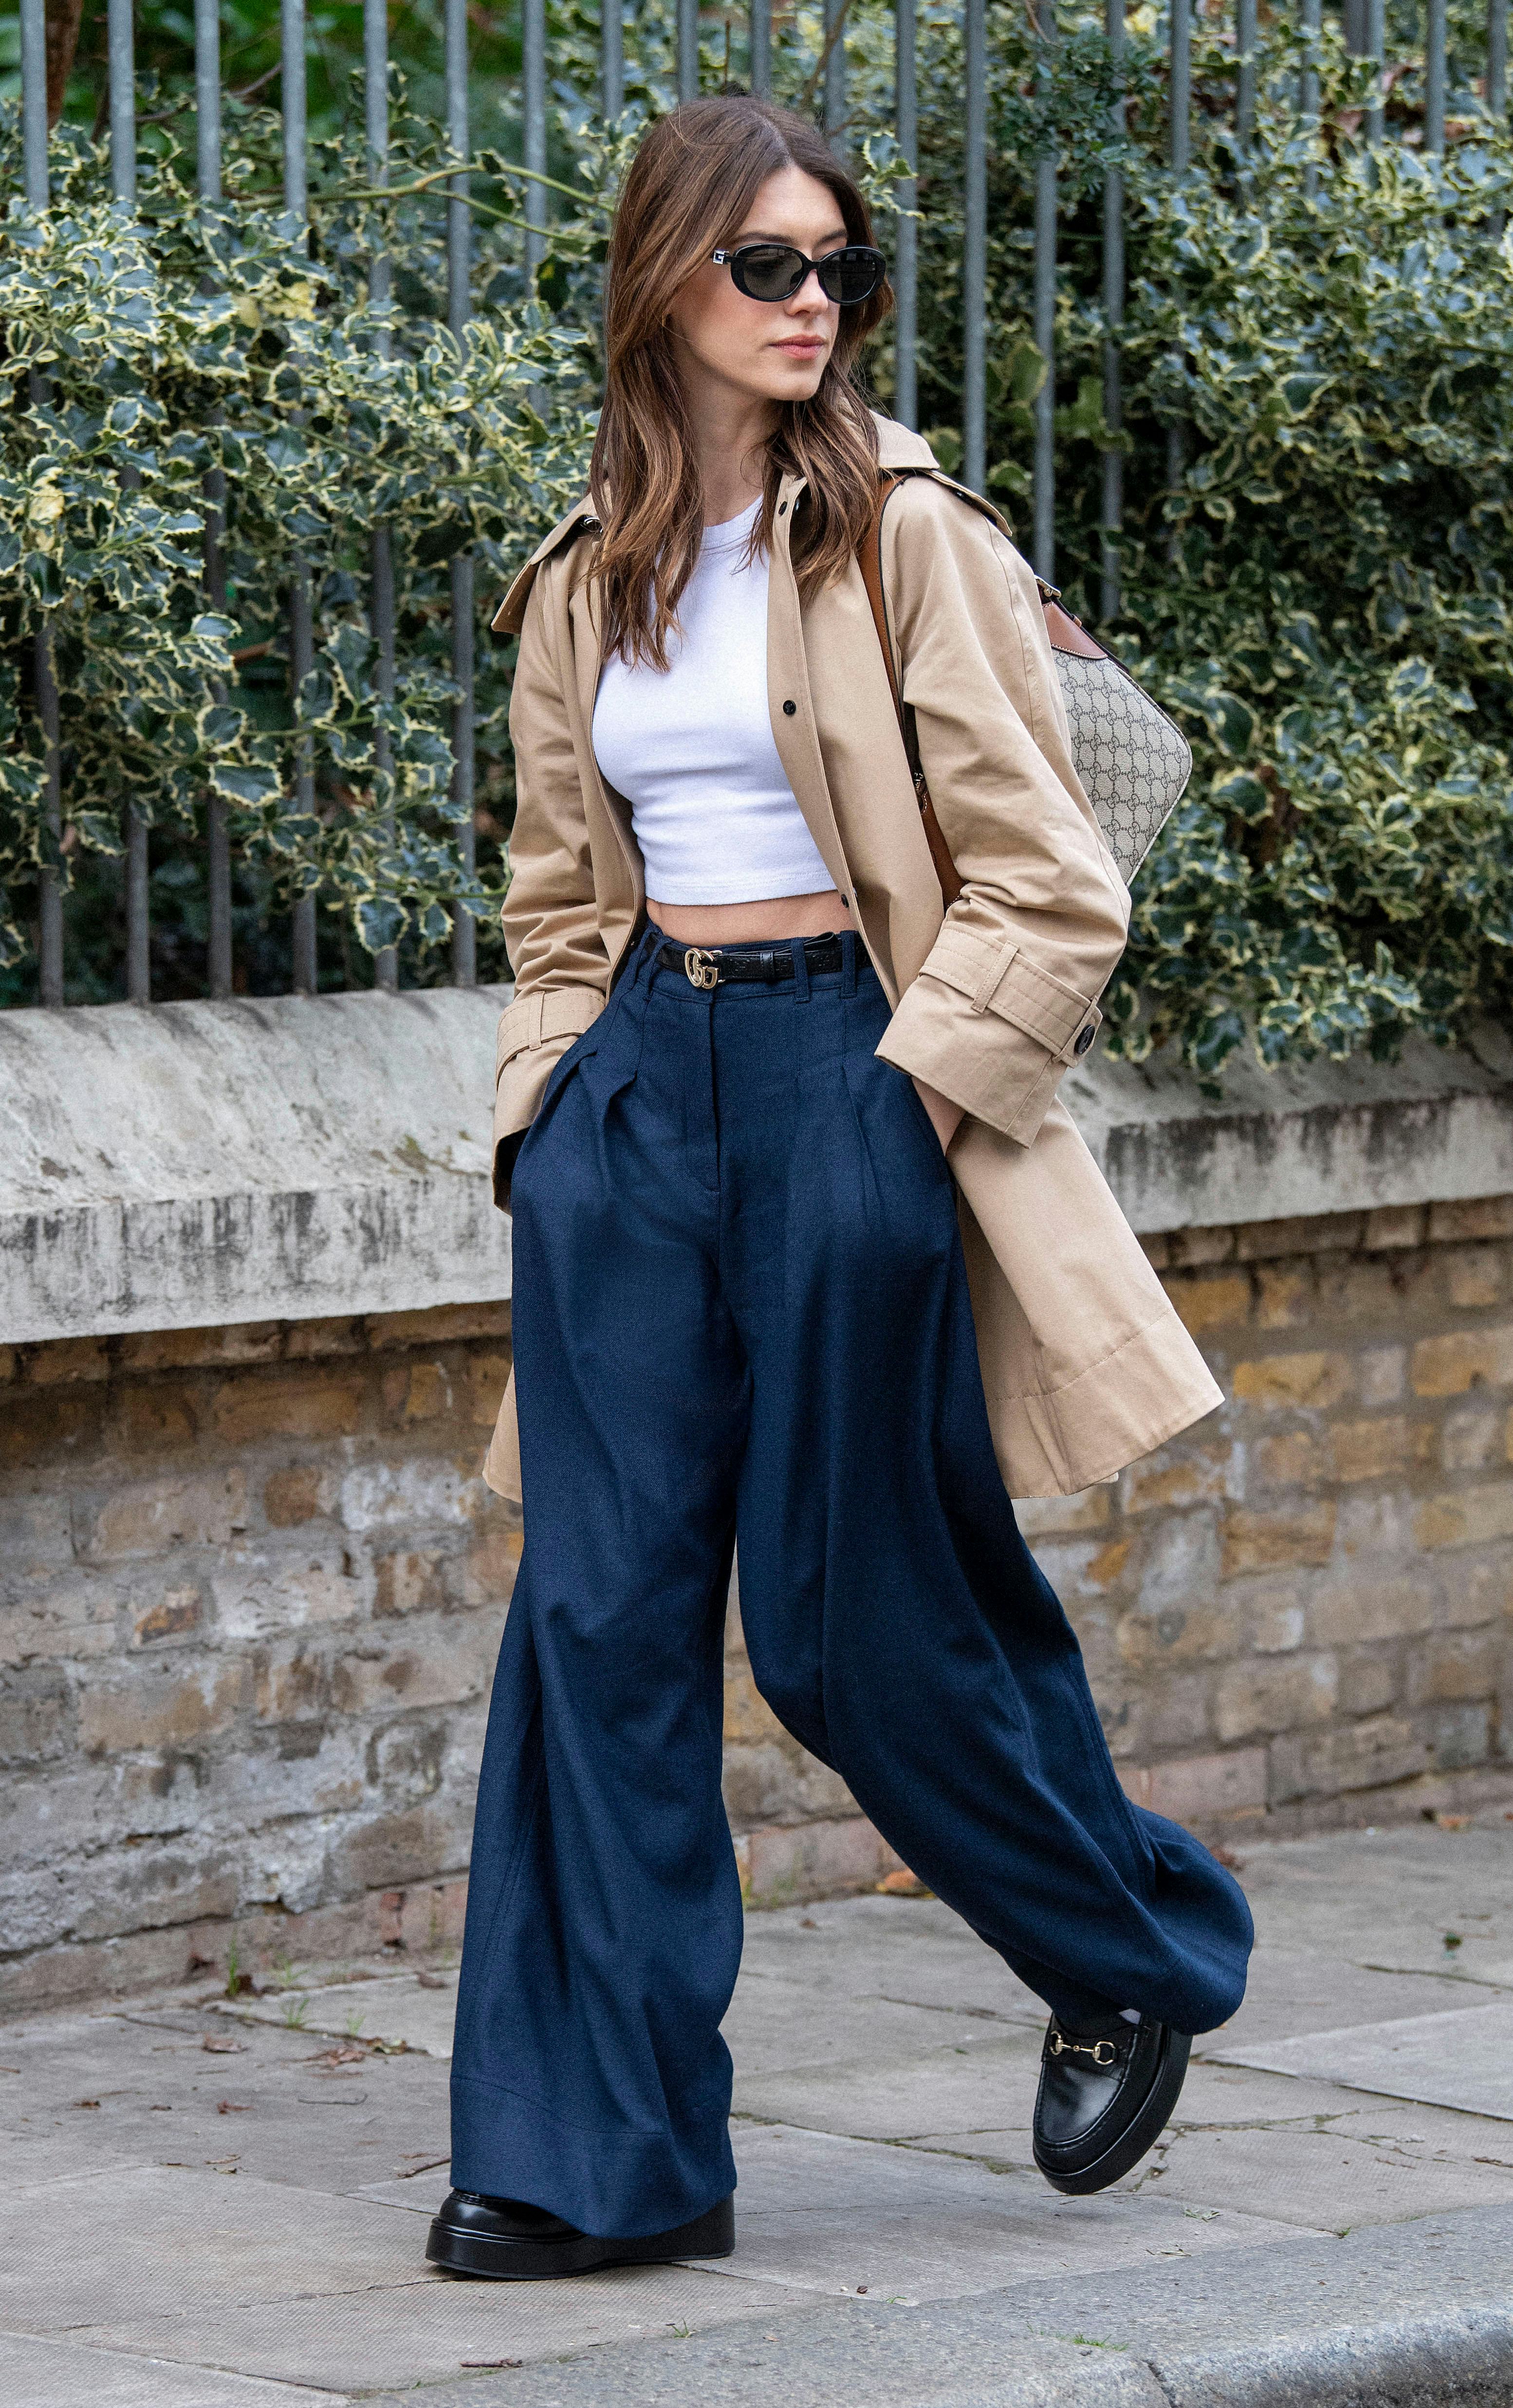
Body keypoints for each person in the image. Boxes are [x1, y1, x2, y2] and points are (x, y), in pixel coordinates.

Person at [426, 93, 1252, 2283]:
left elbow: (1051, 889)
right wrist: (548, 1111)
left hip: (845, 1079)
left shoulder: (902, 535)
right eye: (767, 266)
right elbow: (546, 891)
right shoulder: (579, 566)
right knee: (592, 1624)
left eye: (840, 271)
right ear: (664, 279)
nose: (813, 306)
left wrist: (903, 1105)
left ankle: (1130, 1945)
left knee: (841, 1614)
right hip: (631, 1116)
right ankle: (602, 2156)